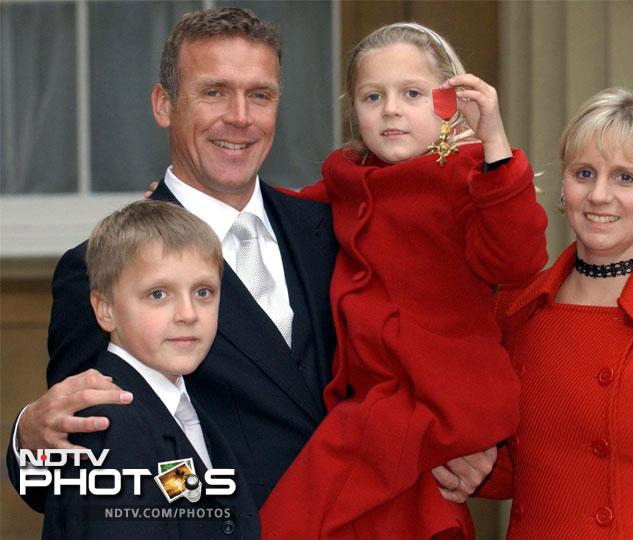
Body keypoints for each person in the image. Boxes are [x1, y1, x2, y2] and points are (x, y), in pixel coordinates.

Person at [7, 8, 492, 531]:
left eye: (259, 95)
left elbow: (433, 334)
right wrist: (27, 436)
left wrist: (466, 441)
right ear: (164, 105)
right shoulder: (100, 268)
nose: (240, 117)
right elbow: (79, 460)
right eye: (214, 92)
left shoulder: (339, 228)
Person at [259, 23, 548, 539]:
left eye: (412, 93)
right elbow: (286, 212)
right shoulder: (348, 180)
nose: (391, 109)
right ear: (355, 110)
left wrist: (495, 142)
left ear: (449, 101)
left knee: (299, 511)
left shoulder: (469, 176)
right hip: (386, 398)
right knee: (401, 520)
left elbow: (517, 260)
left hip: (441, 395)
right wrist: (203, 212)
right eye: (374, 96)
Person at [477, 87, 633, 538]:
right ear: (563, 183)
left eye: (625, 178)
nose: (599, 195)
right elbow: (520, 468)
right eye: (584, 173)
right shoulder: (517, 307)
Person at [41, 199, 260, 538]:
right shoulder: (110, 427)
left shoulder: (178, 408)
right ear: (106, 309)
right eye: (158, 294)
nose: (188, 313)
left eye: (203, 292)